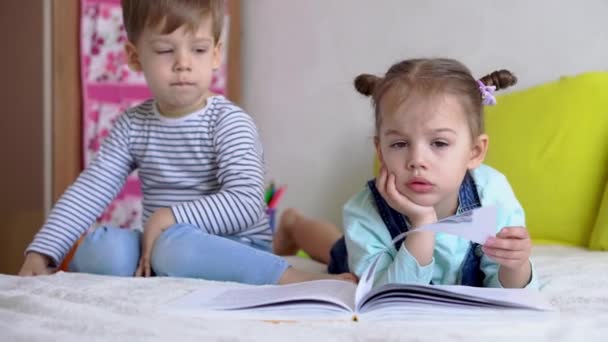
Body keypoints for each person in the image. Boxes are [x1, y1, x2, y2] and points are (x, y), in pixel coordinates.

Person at [19, 0, 355, 285]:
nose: (183, 63)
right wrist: (42, 251)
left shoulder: (228, 121)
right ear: (135, 58)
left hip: (233, 245)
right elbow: (91, 190)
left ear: (215, 55)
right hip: (163, 244)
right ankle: (157, 257)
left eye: (198, 49)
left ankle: (294, 279)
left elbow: (247, 203)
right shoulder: (132, 126)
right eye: (165, 50)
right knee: (101, 251)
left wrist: (170, 216)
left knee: (174, 247)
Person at [273, 58, 537, 288]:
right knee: (335, 251)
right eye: (399, 144)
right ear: (380, 150)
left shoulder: (492, 194)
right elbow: (387, 296)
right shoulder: (365, 211)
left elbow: (510, 294)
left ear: (475, 152)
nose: (417, 160)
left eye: (439, 143)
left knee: (337, 243)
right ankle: (294, 224)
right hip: (370, 255)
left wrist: (515, 265)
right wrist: (422, 223)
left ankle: (294, 223)